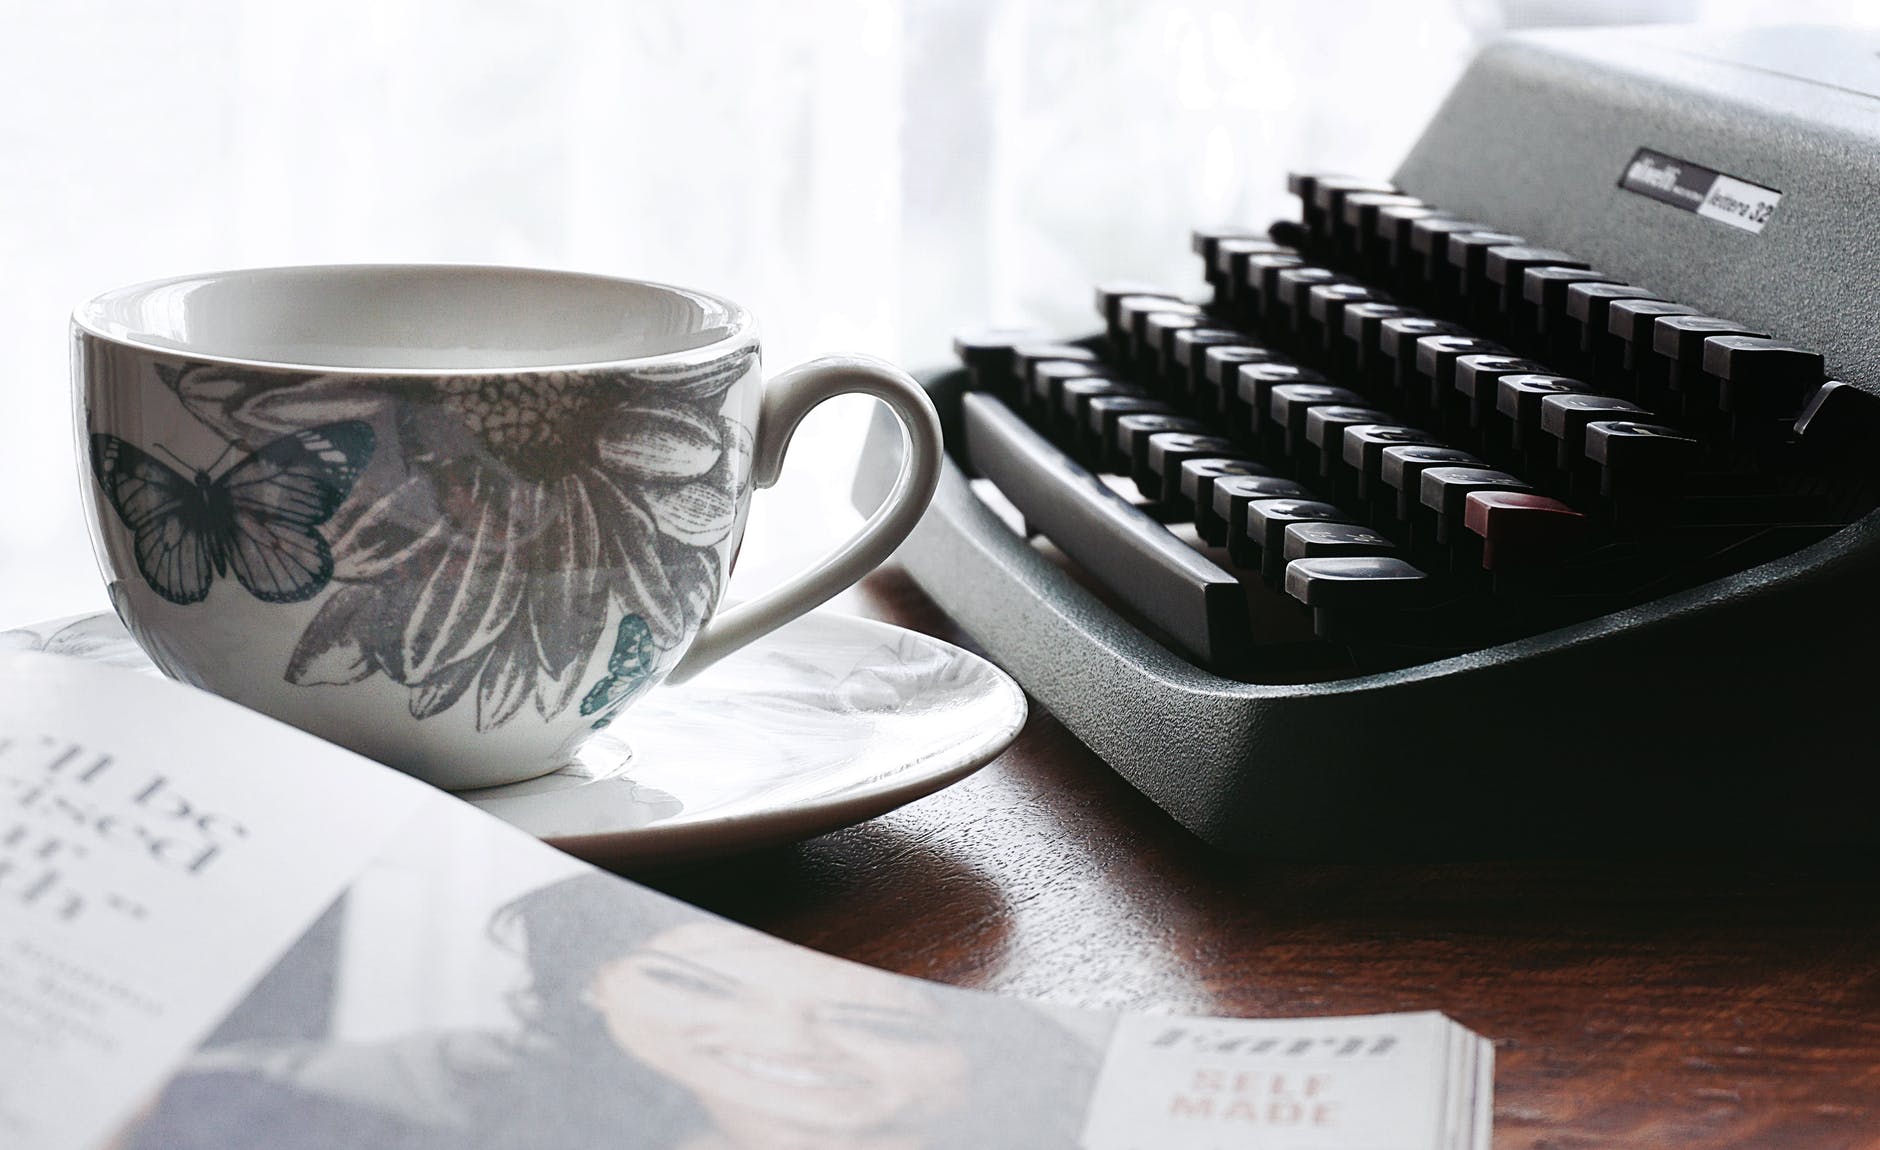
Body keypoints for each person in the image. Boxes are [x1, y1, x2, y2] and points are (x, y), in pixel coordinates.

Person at [126, 873, 1102, 1149]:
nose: (776, 1043)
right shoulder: (482, 1084)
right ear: (594, 986)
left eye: (883, 1019)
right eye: (688, 983)